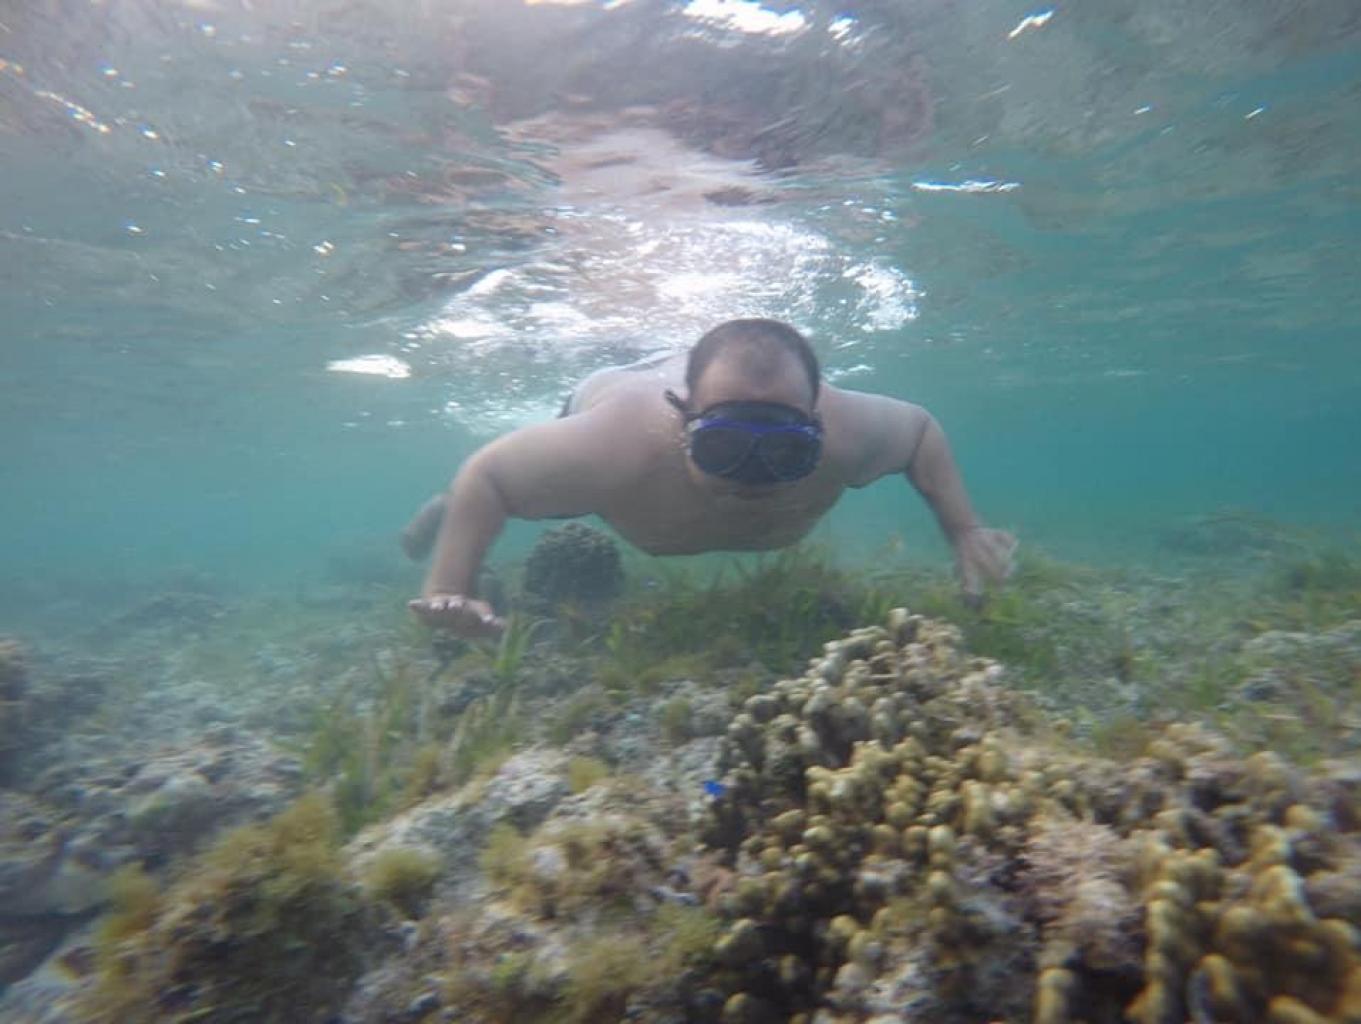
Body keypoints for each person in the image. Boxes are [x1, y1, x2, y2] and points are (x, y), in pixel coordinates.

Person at [404, 318, 1016, 637]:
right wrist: (449, 586)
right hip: (619, 385)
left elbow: (921, 432)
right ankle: (447, 507)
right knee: (532, 498)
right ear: (682, 422)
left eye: (785, 452)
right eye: (724, 448)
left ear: (818, 425)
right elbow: (490, 473)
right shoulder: (617, 443)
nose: (753, 477)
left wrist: (964, 529)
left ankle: (451, 506)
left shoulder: (851, 430)